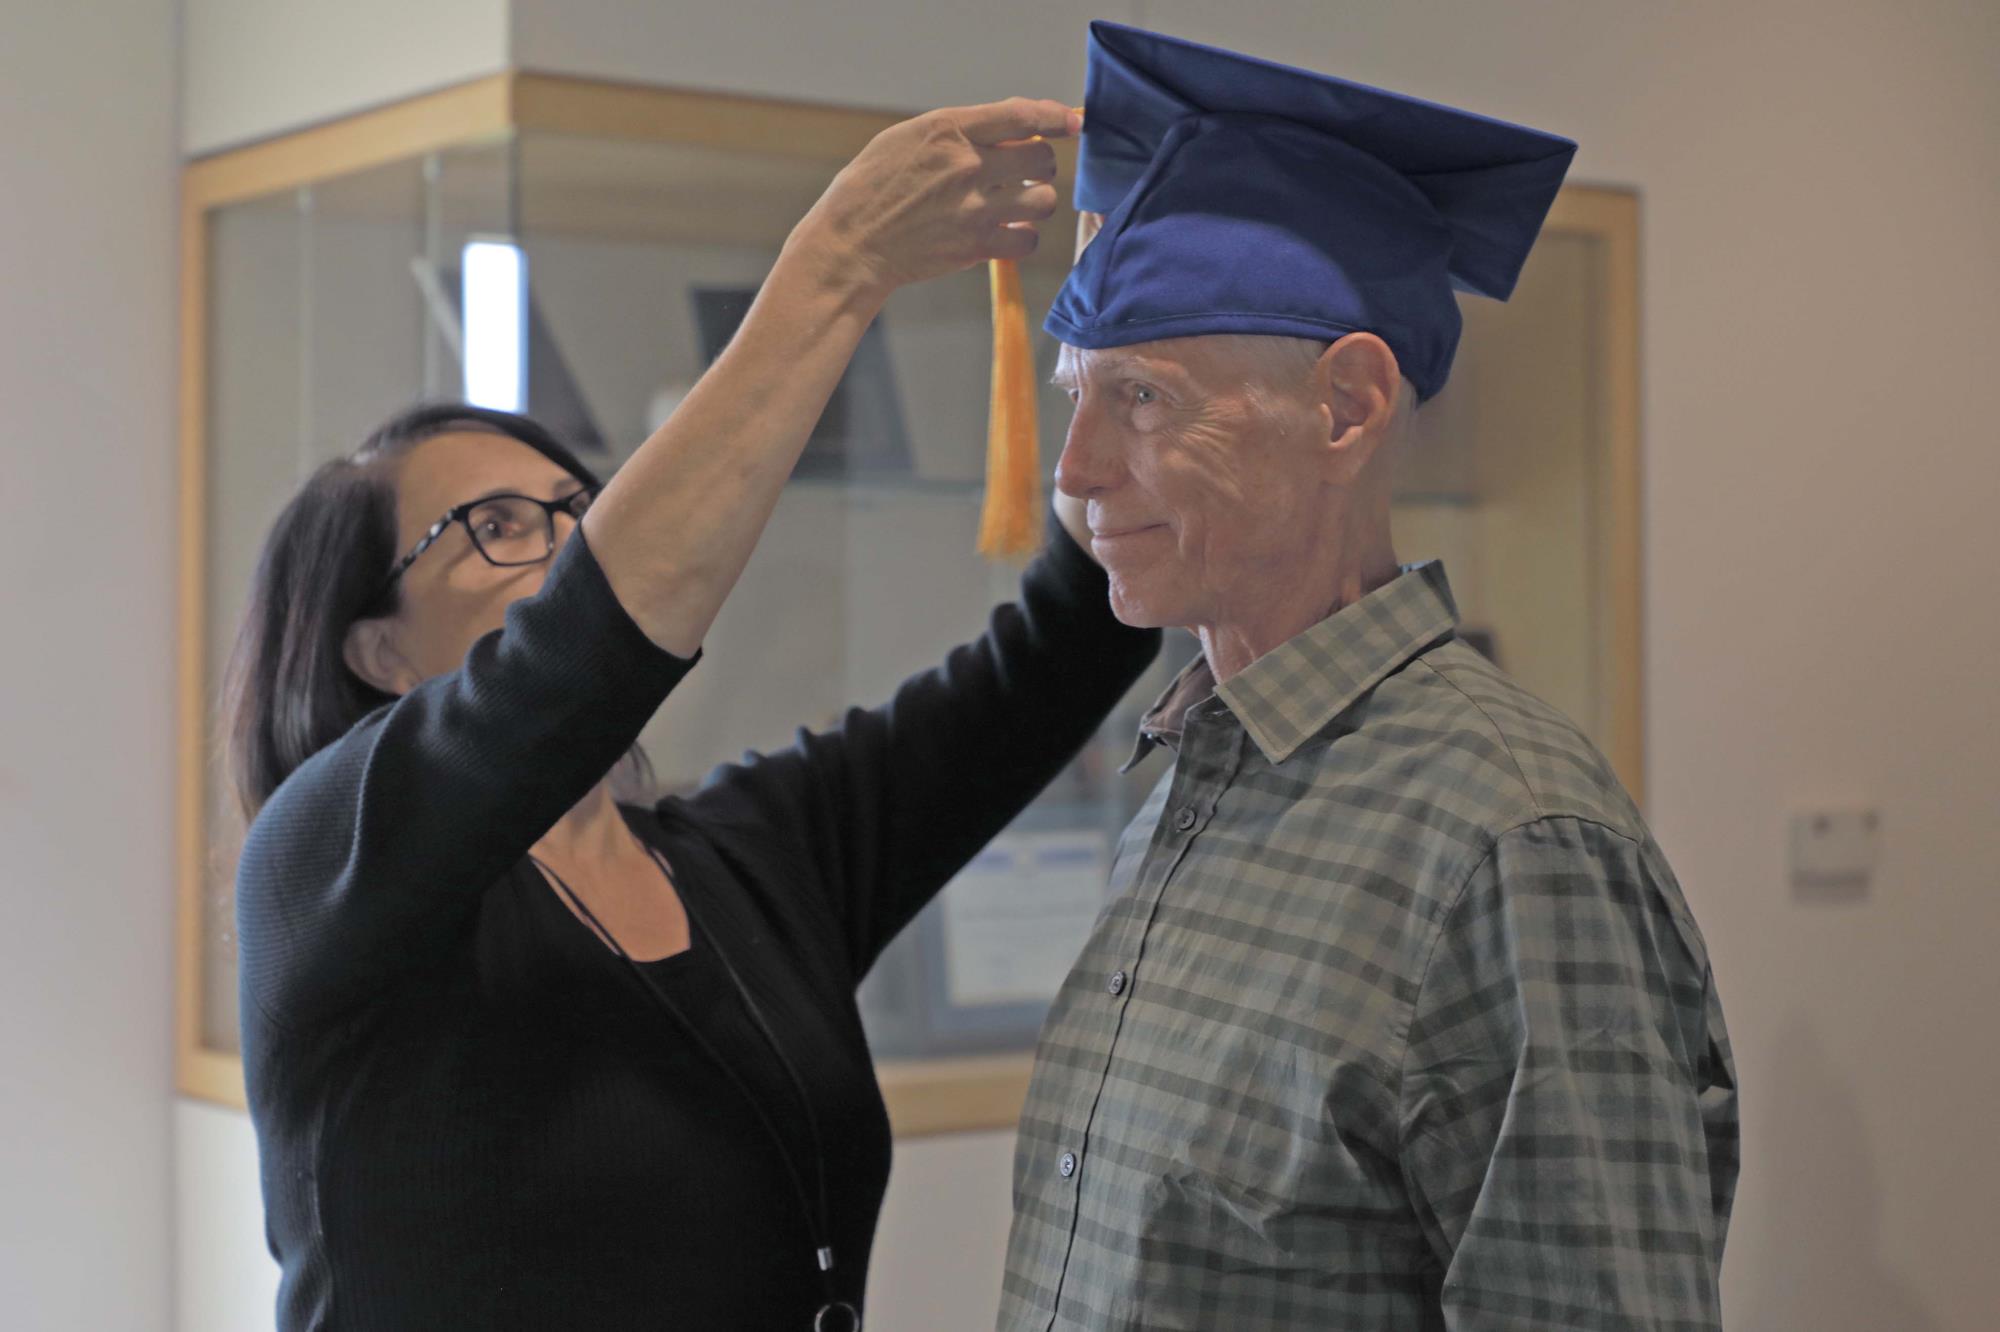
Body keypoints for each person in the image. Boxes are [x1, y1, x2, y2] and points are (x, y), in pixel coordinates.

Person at [225, 97, 1163, 1331]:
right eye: (496, 530)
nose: (562, 553)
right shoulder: (327, 863)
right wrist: (836, 263)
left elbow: (1057, 651)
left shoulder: (755, 861)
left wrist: (1140, 362)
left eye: (577, 513)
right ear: (376, 650)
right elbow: (582, 650)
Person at [999, 24, 1738, 1331]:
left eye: (1145, 398)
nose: (1076, 473)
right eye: (1077, 397)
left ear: (1344, 409)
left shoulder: (1508, 847)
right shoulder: (1195, 774)